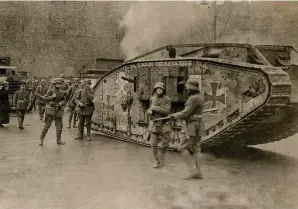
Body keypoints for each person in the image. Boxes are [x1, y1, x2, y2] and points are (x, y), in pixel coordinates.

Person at [169, 78, 204, 180]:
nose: (186, 89)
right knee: (196, 148)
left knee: (182, 148)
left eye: (188, 88)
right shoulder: (199, 96)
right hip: (199, 124)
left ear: (192, 89)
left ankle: (192, 171)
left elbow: (185, 113)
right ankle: (198, 172)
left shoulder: (193, 98)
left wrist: (174, 115)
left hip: (192, 125)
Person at [147, 82, 172, 168]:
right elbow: (149, 109)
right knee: (153, 144)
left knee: (165, 144)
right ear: (155, 90)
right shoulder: (152, 98)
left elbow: (166, 111)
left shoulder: (167, 99)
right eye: (157, 88)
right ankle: (156, 160)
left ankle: (161, 158)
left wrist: (154, 108)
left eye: (160, 89)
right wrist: (149, 112)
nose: (159, 90)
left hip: (164, 124)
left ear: (163, 90)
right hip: (154, 124)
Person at [39, 78, 66, 146]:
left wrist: (61, 103)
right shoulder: (51, 90)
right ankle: (41, 140)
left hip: (58, 111)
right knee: (46, 126)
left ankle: (59, 140)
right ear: (54, 84)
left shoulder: (62, 92)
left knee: (59, 127)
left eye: (60, 83)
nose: (59, 84)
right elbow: (44, 98)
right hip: (51, 111)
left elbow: (64, 100)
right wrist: (51, 97)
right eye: (57, 83)